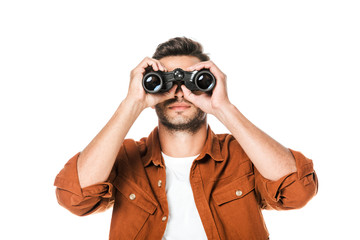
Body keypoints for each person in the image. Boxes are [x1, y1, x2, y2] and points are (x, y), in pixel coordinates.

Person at [54, 37, 318, 239]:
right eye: (164, 82)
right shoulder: (125, 157)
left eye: (194, 81)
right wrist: (132, 103)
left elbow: (298, 191)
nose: (179, 93)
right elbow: (74, 198)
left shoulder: (243, 155)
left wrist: (223, 108)